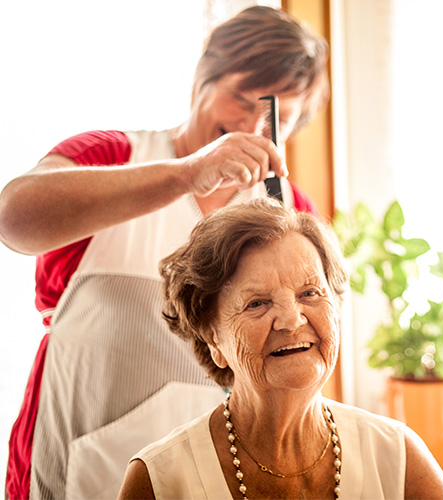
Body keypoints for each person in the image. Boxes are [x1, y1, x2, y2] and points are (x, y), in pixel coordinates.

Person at [0, 6, 329, 499]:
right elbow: (14, 218)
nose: (250, 125)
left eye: (277, 118)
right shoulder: (111, 157)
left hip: (211, 472)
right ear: (203, 77)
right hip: (80, 454)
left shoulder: (288, 211)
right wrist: (186, 174)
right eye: (240, 97)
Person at [117, 197, 443, 500]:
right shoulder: (158, 482)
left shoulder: (399, 459)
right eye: (257, 303)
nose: (291, 321)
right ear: (212, 337)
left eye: (309, 293)